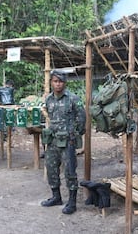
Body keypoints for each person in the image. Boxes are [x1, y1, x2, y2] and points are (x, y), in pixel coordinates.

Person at [40, 70, 86, 215]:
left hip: (68, 141)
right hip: (52, 141)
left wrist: (75, 133)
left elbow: (82, 118)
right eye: (55, 81)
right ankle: (56, 197)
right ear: (51, 82)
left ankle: (72, 202)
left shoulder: (73, 98)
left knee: (70, 171)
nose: (57, 84)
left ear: (64, 83)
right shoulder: (49, 99)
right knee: (51, 169)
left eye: (60, 81)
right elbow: (49, 116)